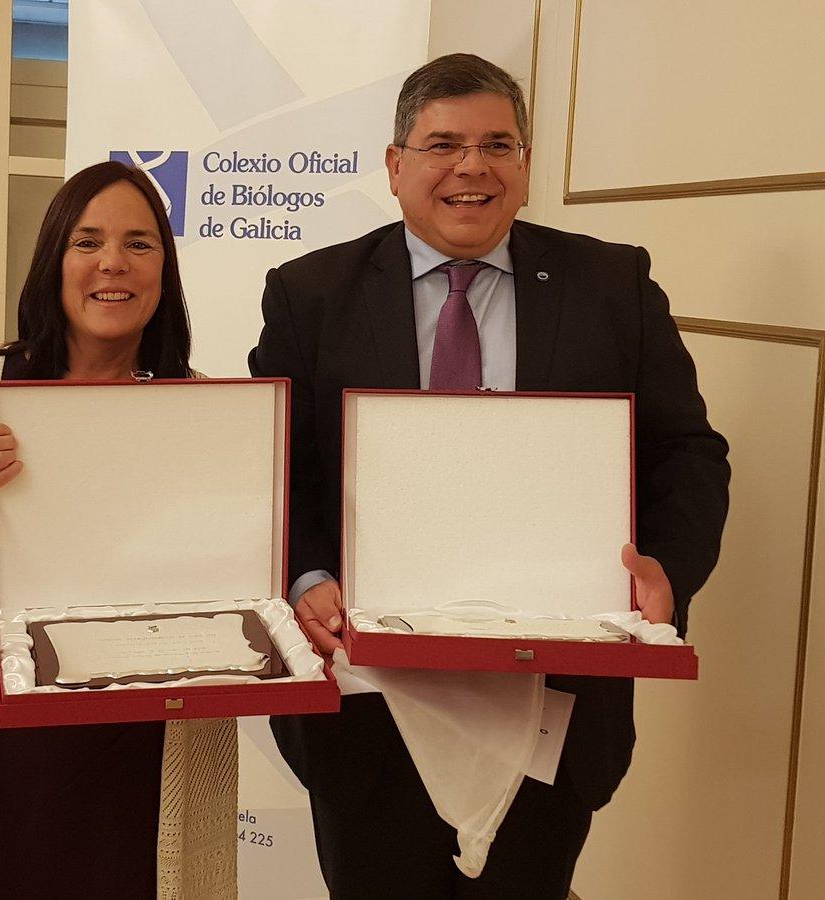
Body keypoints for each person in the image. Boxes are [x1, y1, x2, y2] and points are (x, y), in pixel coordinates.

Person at [249, 53, 730, 898]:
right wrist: (308, 573)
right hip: (371, 703)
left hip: (555, 696)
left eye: (497, 144)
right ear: (396, 166)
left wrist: (667, 571)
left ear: (526, 166)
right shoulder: (310, 294)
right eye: (443, 145)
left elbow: (688, 453)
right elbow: (274, 469)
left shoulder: (612, 285)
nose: (472, 167)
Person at [0, 161, 237, 899]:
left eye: (140, 243)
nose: (112, 263)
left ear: (164, 269)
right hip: (13, 736)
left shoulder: (206, 409)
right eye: (87, 241)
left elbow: (240, 576)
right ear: (53, 262)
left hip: (153, 731)